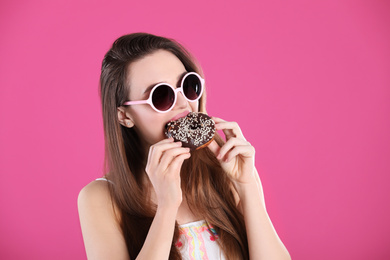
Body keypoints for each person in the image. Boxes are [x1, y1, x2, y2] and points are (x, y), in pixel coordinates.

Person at [78, 32, 291, 260]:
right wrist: (167, 207)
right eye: (160, 96)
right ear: (124, 116)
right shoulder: (100, 198)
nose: (183, 104)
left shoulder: (225, 170)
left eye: (188, 85)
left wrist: (247, 187)